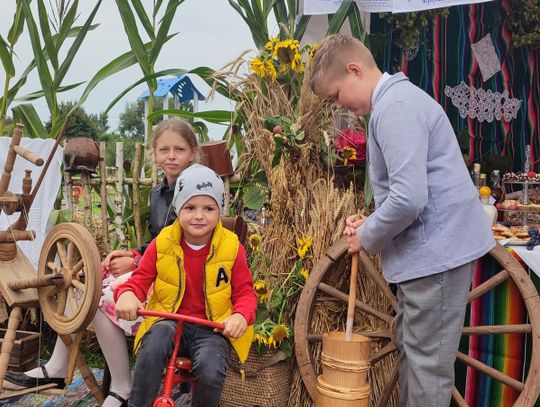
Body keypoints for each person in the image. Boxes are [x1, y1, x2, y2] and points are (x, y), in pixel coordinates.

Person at [308, 34, 495, 407]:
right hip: (433, 252)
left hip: (436, 255)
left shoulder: (394, 108)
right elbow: (408, 191)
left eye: (336, 95)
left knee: (427, 369)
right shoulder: (399, 102)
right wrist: (372, 220)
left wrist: (369, 234)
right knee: (418, 357)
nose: (339, 105)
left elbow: (409, 198)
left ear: (355, 70)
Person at [4, 118, 200, 407]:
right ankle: (58, 366)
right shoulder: (160, 192)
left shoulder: (193, 191)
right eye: (164, 150)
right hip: (153, 269)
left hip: (178, 284)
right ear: (154, 154)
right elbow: (157, 241)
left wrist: (136, 263)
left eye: (179, 150)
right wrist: (128, 254)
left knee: (95, 294)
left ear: (192, 153)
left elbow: (184, 247)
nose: (171, 156)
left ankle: (122, 387)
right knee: (84, 282)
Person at [115, 164, 257, 407]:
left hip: (211, 328)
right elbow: (140, 280)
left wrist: (240, 316)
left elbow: (245, 292)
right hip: (168, 319)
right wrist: (128, 294)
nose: (199, 216)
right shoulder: (162, 243)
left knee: (212, 368)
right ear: (178, 209)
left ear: (219, 210)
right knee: (153, 345)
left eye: (209, 208)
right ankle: (137, 403)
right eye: (190, 208)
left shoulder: (232, 247)